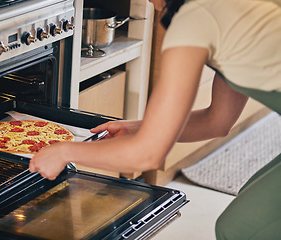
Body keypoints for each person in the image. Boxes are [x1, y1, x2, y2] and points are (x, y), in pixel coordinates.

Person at [30, 0, 281, 239]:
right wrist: (138, 128)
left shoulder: (195, 19)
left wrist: (63, 152)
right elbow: (217, 121)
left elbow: (149, 154)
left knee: (240, 230)